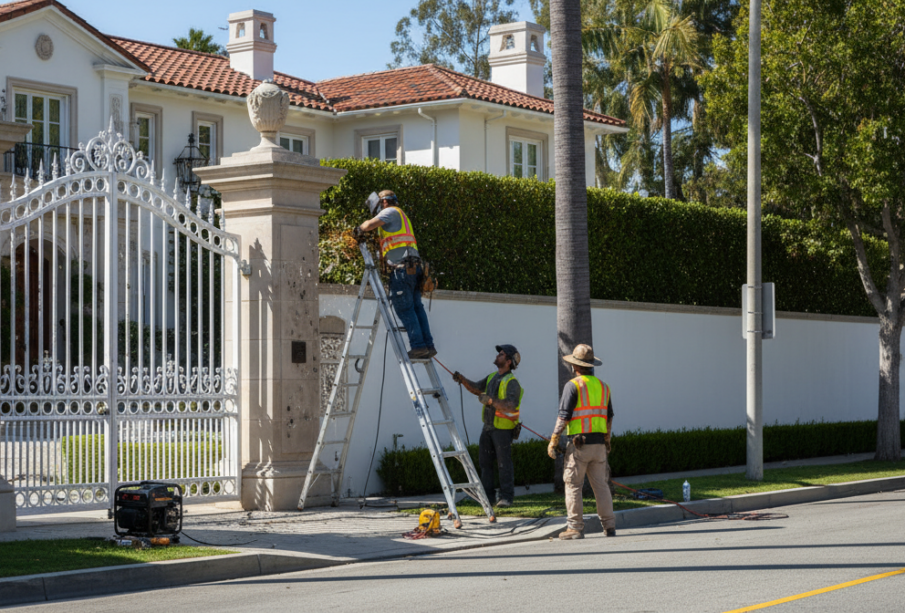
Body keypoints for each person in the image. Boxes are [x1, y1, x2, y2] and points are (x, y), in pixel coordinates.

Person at [353, 190, 435, 360]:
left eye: (377, 208)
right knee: (417, 307)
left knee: (404, 307)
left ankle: (418, 347)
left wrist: (359, 229)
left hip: (403, 270)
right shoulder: (401, 216)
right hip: (413, 268)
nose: (377, 212)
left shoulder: (390, 212)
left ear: (384, 202)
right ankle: (428, 345)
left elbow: (369, 225)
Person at [547, 343, 616, 539]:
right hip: (599, 446)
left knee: (573, 484)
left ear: (574, 366)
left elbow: (563, 416)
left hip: (579, 446)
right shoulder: (603, 386)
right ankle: (609, 526)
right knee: (601, 486)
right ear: (591, 365)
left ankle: (575, 528)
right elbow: (609, 417)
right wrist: (607, 440)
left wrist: (553, 439)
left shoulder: (573, 385)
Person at [453, 345, 523, 508]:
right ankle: (488, 497)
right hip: (488, 428)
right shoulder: (492, 376)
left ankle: (506, 497)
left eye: (501, 354)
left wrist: (491, 401)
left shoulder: (512, 382)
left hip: (503, 430)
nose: (497, 355)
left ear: (508, 361)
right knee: (485, 463)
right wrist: (462, 379)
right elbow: (477, 389)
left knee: (503, 464)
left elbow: (511, 405)